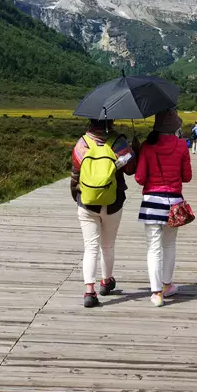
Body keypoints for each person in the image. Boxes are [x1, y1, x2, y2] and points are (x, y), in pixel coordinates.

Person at [71, 119, 138, 308]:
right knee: (107, 246)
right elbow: (131, 170)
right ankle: (106, 281)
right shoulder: (119, 142)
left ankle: (89, 291)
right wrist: (135, 150)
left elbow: (75, 173)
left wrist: (78, 198)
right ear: (111, 121)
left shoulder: (82, 143)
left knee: (90, 247)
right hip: (113, 202)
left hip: (86, 202)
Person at [135, 109, 192, 307]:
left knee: (153, 248)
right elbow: (187, 177)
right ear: (175, 126)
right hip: (174, 203)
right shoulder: (182, 145)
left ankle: (156, 293)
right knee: (169, 245)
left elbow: (139, 178)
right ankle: (167, 285)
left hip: (151, 203)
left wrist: (139, 153)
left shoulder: (147, 146)